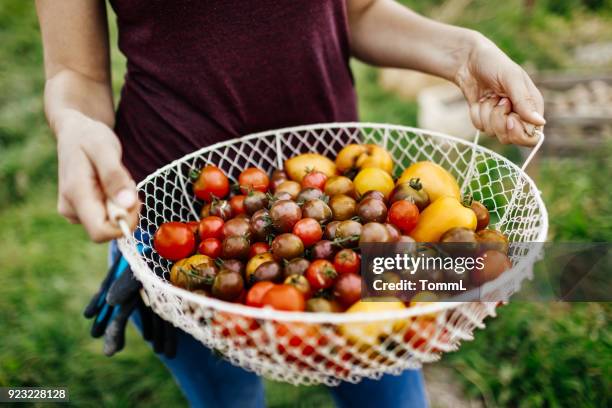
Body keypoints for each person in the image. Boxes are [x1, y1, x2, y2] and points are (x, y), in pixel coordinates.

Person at [36, 1, 545, 407]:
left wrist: (463, 52)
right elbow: (75, 74)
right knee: (226, 398)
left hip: (341, 193)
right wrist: (75, 125)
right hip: (181, 221)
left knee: (391, 394)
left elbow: (357, 11)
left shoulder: (367, 217)